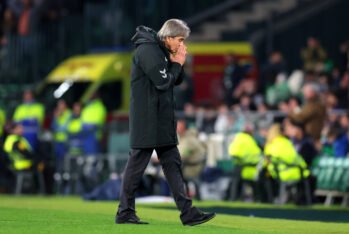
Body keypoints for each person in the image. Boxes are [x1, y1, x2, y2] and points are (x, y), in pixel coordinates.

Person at [115, 19, 216, 226]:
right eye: (179, 40)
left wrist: (177, 62)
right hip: (147, 121)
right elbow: (163, 82)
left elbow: (175, 79)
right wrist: (176, 63)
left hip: (160, 120)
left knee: (173, 165)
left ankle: (187, 212)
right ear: (168, 37)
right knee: (136, 166)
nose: (181, 44)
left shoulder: (159, 50)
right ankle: (124, 212)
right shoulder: (148, 51)